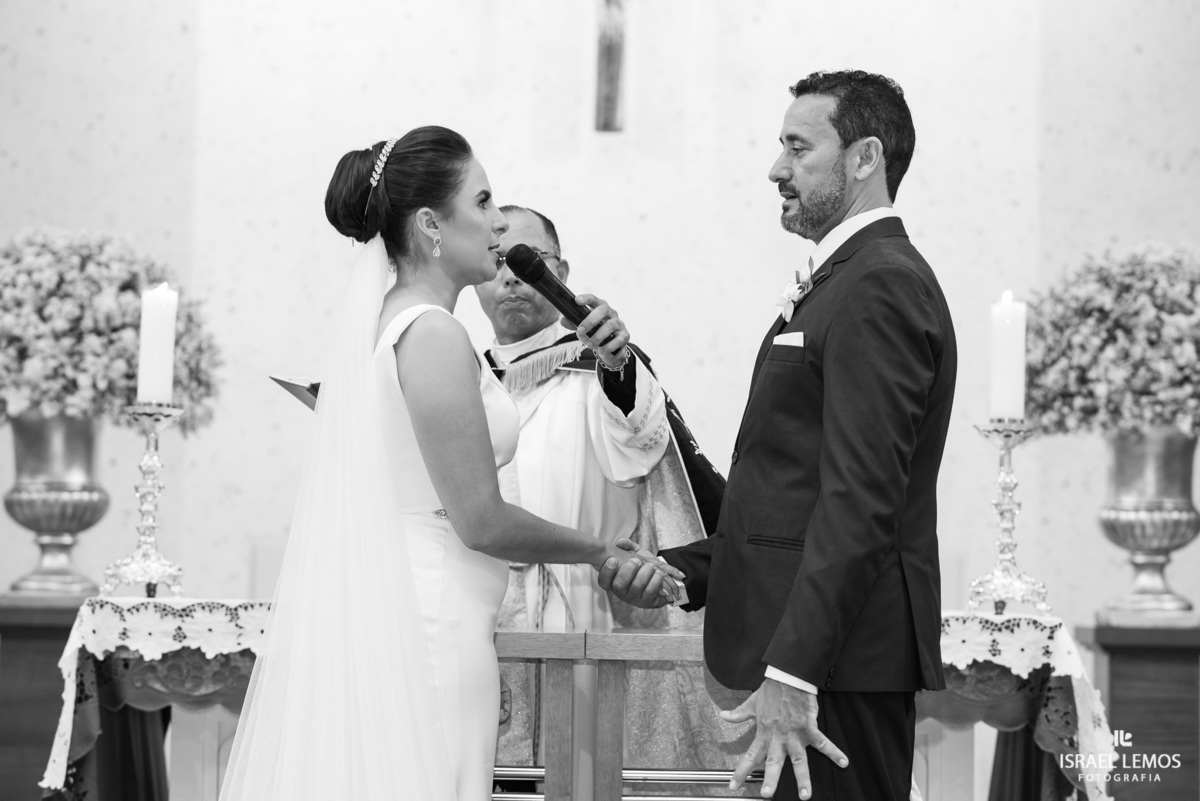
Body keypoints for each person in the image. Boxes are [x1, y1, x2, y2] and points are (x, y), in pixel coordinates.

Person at [219, 126, 678, 801]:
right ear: (432, 223)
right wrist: (600, 550)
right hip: (433, 614)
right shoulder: (431, 333)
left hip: (426, 602)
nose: (498, 222)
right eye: (484, 199)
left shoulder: (396, 322)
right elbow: (480, 519)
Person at [601, 70, 957, 801]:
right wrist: (691, 567)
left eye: (799, 148)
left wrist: (794, 671)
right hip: (811, 653)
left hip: (834, 667)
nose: (776, 169)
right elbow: (794, 495)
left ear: (865, 158)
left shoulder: (879, 284)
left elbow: (860, 501)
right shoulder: (846, 280)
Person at [477, 205, 731, 798]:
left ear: (560, 271)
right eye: (497, 263)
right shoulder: (467, 385)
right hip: (491, 635)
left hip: (583, 621)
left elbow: (640, 438)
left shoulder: (600, 371)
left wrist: (619, 362)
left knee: (584, 783)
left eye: (528, 262)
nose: (511, 277)